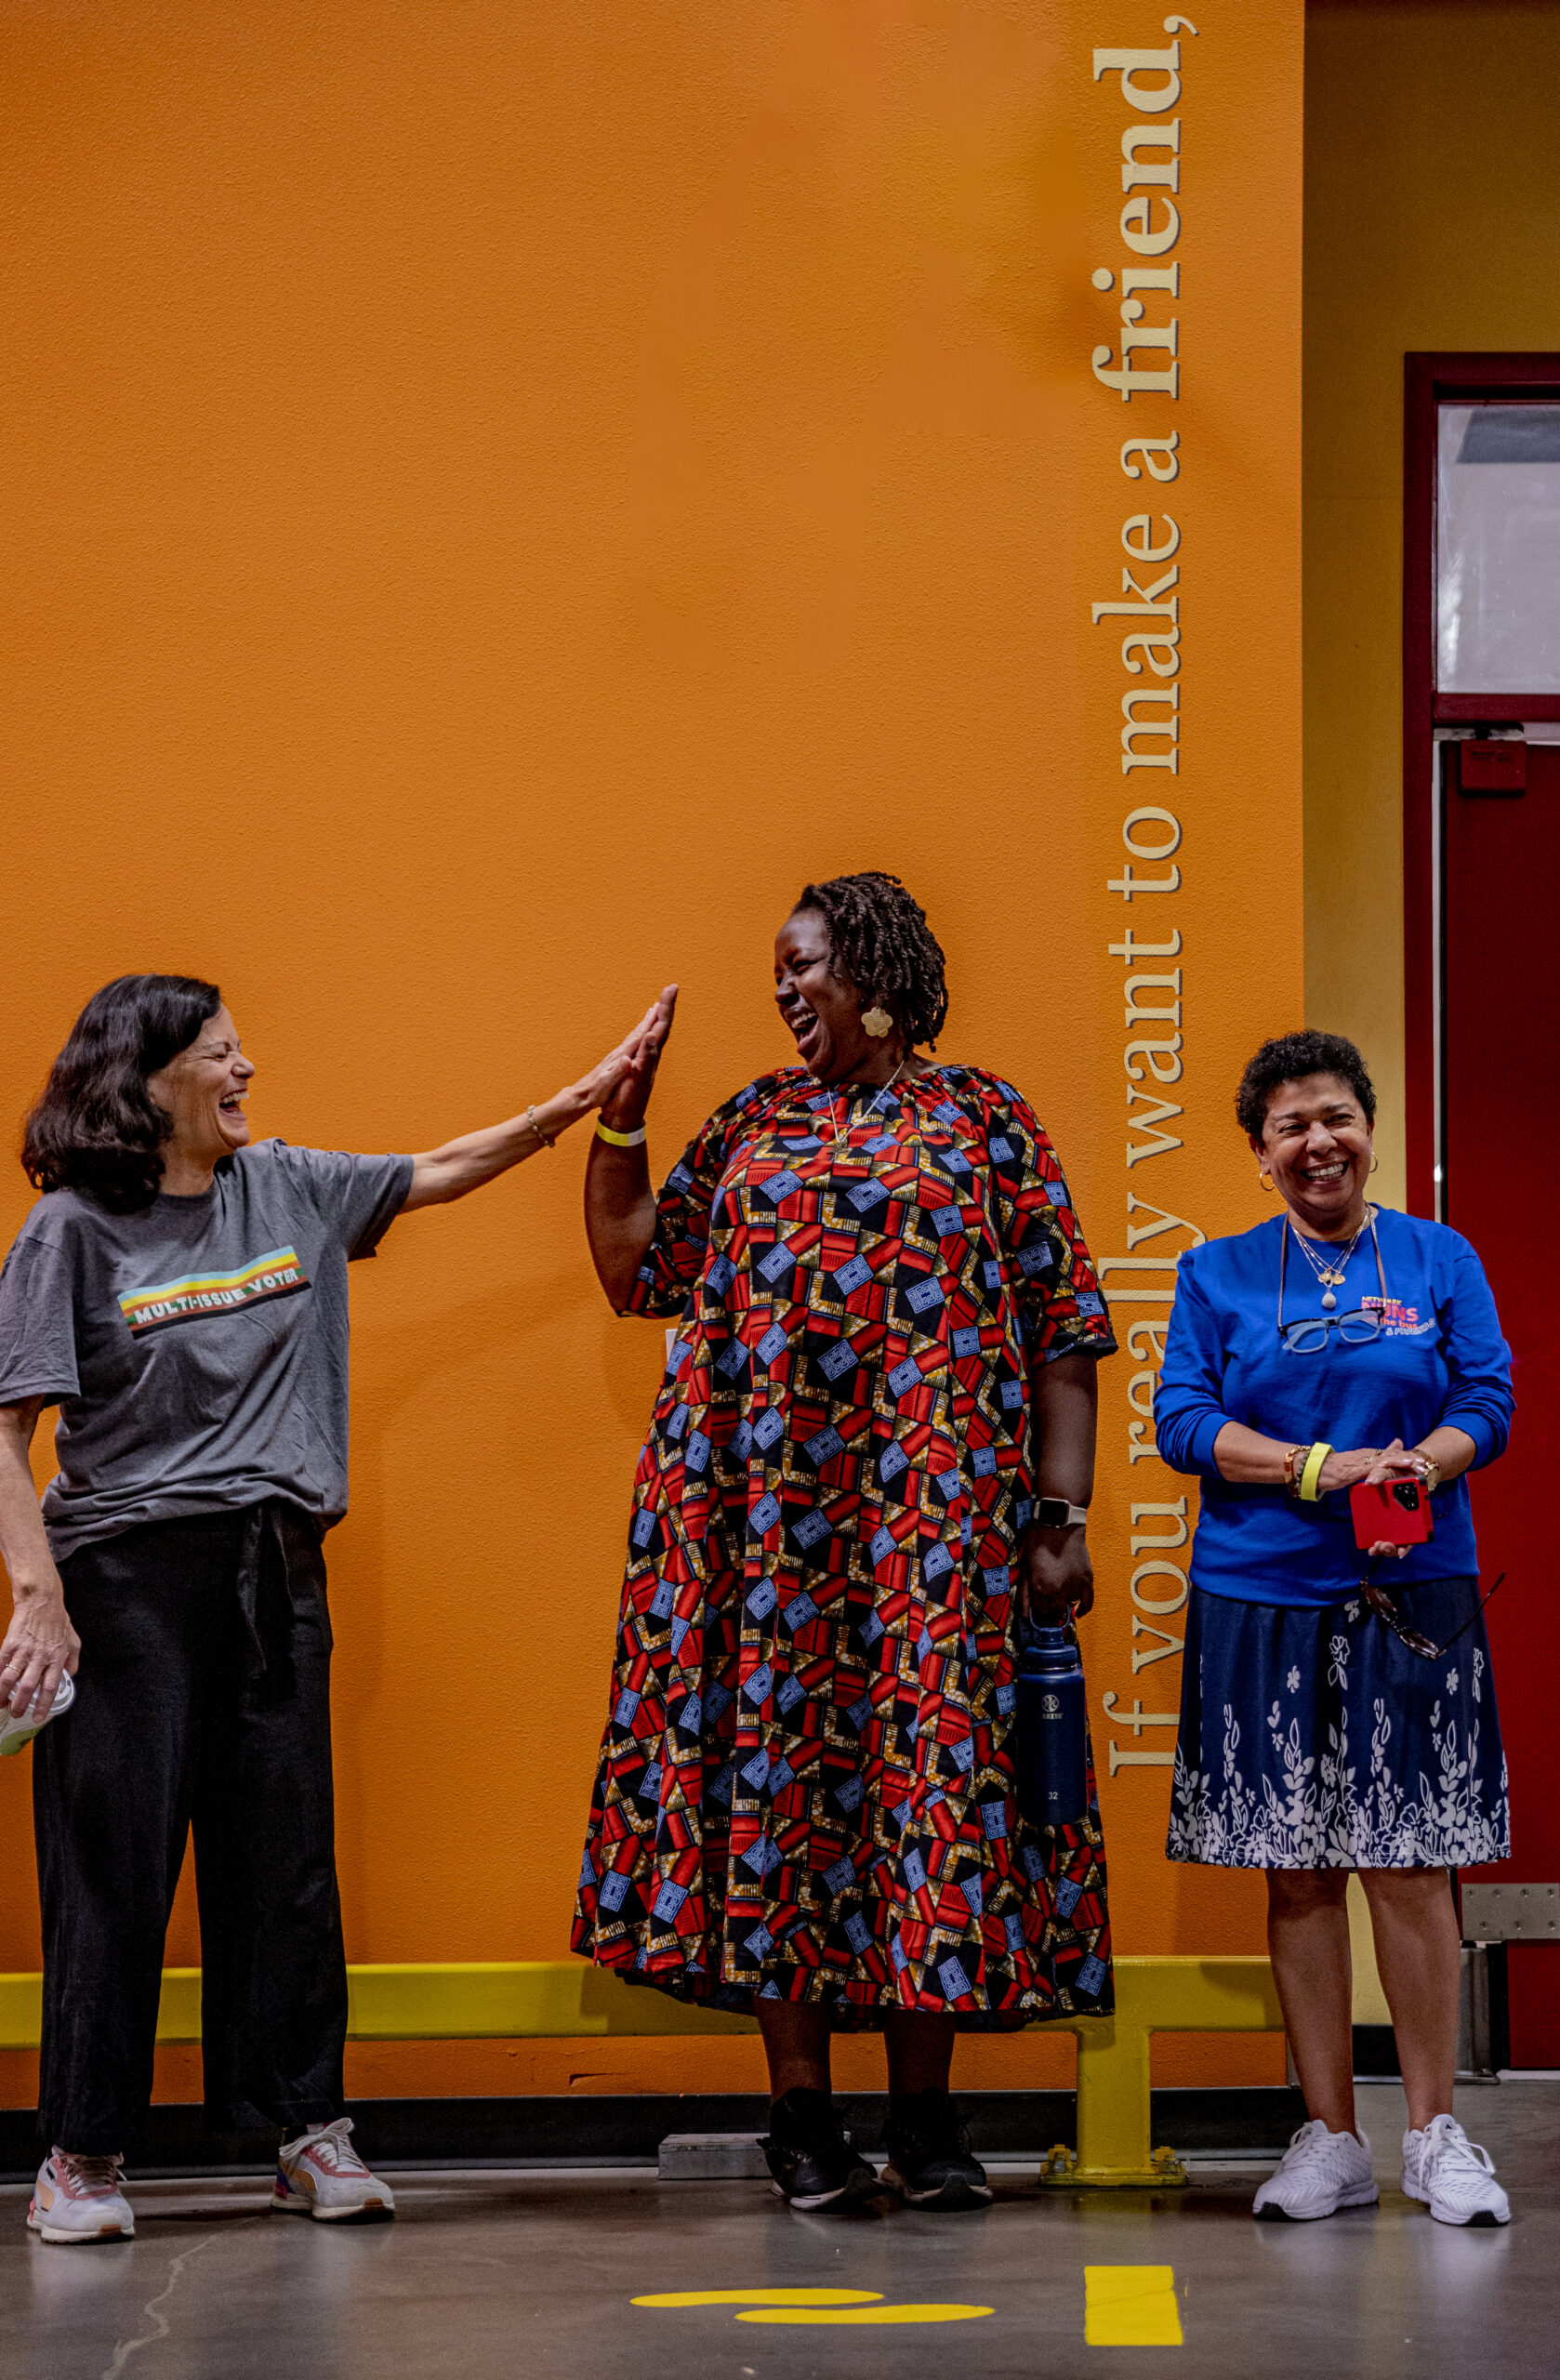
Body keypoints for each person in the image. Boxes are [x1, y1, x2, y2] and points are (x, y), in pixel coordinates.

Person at [0, 972, 654, 2244]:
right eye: (219, 1053)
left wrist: (581, 1103)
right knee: (112, 1870)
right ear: (146, 1080)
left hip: (274, 1566)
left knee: (285, 1867)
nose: (245, 1070)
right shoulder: (69, 1231)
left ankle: (305, 2131)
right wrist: (39, 1600)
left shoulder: (287, 1187)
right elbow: (8, 1427)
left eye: (241, 1048)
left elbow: (441, 1169)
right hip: (125, 1582)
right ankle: (81, 2156)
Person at [572, 872, 1116, 2214]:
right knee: (783, 1793)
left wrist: (1059, 1516)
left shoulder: (984, 1120)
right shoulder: (753, 1119)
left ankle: (925, 2118)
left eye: (801, 961)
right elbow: (639, 1269)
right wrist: (622, 1125)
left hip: (937, 1529)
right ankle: (800, 2115)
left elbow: (1063, 1328)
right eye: (777, 966)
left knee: (933, 1793)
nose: (782, 985)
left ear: (871, 968)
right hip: (763, 1536)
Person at [1155, 1029, 1514, 2229]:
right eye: (1291, 1127)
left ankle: (1435, 2136)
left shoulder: (1438, 1255)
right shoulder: (1213, 1273)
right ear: (1260, 1155)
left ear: (1368, 1129)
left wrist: (1425, 1461)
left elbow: (1488, 1396)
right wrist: (1317, 1467)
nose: (1318, 1142)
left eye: (1336, 1118)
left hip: (1414, 1597)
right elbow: (1183, 1423)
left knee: (1410, 1863)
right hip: (1260, 1597)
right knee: (1298, 1870)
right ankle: (1329, 2139)